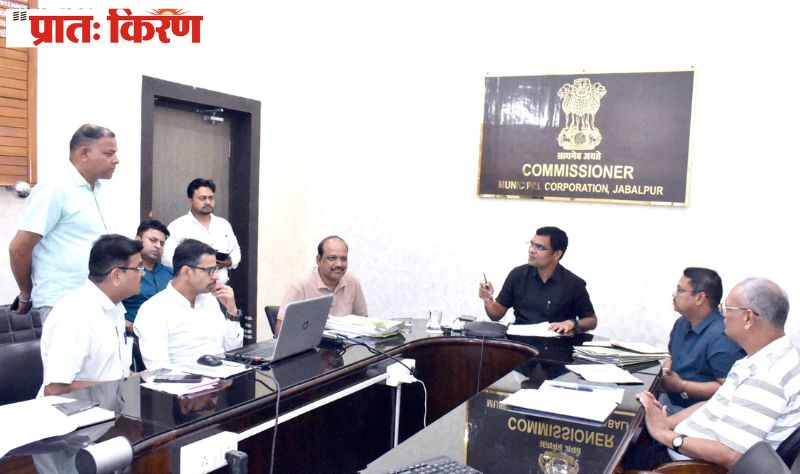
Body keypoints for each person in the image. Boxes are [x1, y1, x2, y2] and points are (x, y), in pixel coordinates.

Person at [626, 278, 800, 470]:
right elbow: (715, 403)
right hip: (683, 448)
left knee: (614, 458)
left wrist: (664, 434)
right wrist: (666, 423)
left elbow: (731, 455)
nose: (722, 316)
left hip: (691, 468)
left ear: (748, 317)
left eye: (726, 309)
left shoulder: (766, 376)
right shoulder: (768, 355)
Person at [8, 124, 118, 321]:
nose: (116, 160)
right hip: (64, 301)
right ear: (84, 153)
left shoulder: (98, 191)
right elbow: (19, 248)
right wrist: (26, 293)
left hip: (99, 297)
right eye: (109, 153)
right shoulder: (55, 188)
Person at [38, 235, 141, 396]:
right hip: (75, 410)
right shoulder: (75, 314)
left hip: (112, 404)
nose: (143, 274)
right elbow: (55, 390)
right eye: (138, 268)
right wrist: (119, 387)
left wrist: (145, 379)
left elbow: (113, 373)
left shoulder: (116, 309)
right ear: (116, 276)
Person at [135, 239, 243, 370]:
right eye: (210, 270)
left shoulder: (210, 300)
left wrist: (232, 311)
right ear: (186, 271)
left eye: (216, 269)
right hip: (186, 380)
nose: (216, 277)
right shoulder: (153, 310)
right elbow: (159, 370)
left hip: (224, 375)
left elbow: (233, 351)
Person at [478, 226, 597, 333]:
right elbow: (496, 315)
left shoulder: (574, 284)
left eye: (540, 247)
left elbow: (591, 320)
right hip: (520, 344)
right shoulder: (517, 275)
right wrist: (488, 299)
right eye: (532, 244)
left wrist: (572, 323)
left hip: (557, 345)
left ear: (557, 254)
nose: (532, 250)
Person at [660, 268, 744, 414]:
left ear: (699, 298)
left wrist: (682, 386)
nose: (674, 294)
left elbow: (728, 389)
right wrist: (666, 372)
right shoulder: (681, 323)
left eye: (680, 291)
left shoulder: (722, 336)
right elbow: (672, 357)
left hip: (699, 413)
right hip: (669, 399)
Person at [276, 235, 367, 334]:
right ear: (319, 260)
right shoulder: (300, 284)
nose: (339, 264)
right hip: (310, 343)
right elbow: (280, 332)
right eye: (332, 258)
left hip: (344, 342)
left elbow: (363, 322)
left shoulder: (352, 281)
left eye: (343, 259)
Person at [161, 178, 240, 285]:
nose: (208, 202)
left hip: (219, 288)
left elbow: (236, 252)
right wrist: (194, 267)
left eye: (211, 198)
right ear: (190, 200)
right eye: (202, 198)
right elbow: (166, 258)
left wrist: (229, 262)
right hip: (190, 289)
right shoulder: (177, 226)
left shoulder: (223, 225)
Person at [121, 219, 173, 333]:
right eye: (153, 240)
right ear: (137, 240)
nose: (158, 246)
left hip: (169, 335)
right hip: (132, 335)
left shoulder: (171, 274)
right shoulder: (124, 271)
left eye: (162, 243)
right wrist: (127, 326)